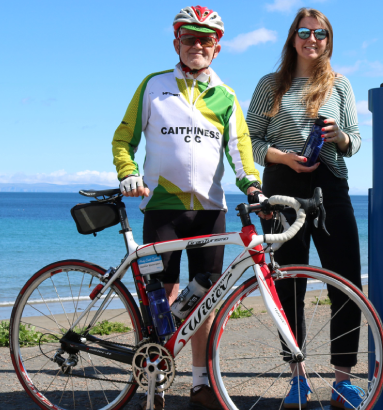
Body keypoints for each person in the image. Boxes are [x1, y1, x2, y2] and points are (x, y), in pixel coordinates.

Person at [112, 6, 266, 410]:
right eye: (189, 38)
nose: (197, 45)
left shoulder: (227, 95)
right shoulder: (153, 85)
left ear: (217, 48)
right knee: (160, 295)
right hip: (161, 208)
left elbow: (240, 152)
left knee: (206, 298)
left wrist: (252, 185)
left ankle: (200, 383)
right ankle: (156, 378)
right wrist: (128, 173)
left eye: (206, 40)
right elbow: (123, 138)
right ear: (177, 42)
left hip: (209, 210)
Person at [246, 8, 364, 409]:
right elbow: (252, 142)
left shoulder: (339, 84)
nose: (312, 39)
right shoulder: (270, 84)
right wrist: (284, 158)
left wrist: (341, 137)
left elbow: (357, 142)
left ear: (329, 40)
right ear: (292, 37)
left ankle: (342, 381)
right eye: (304, 32)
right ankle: (297, 378)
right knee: (287, 286)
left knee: (346, 284)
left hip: (330, 188)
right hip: (283, 187)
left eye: (321, 34)